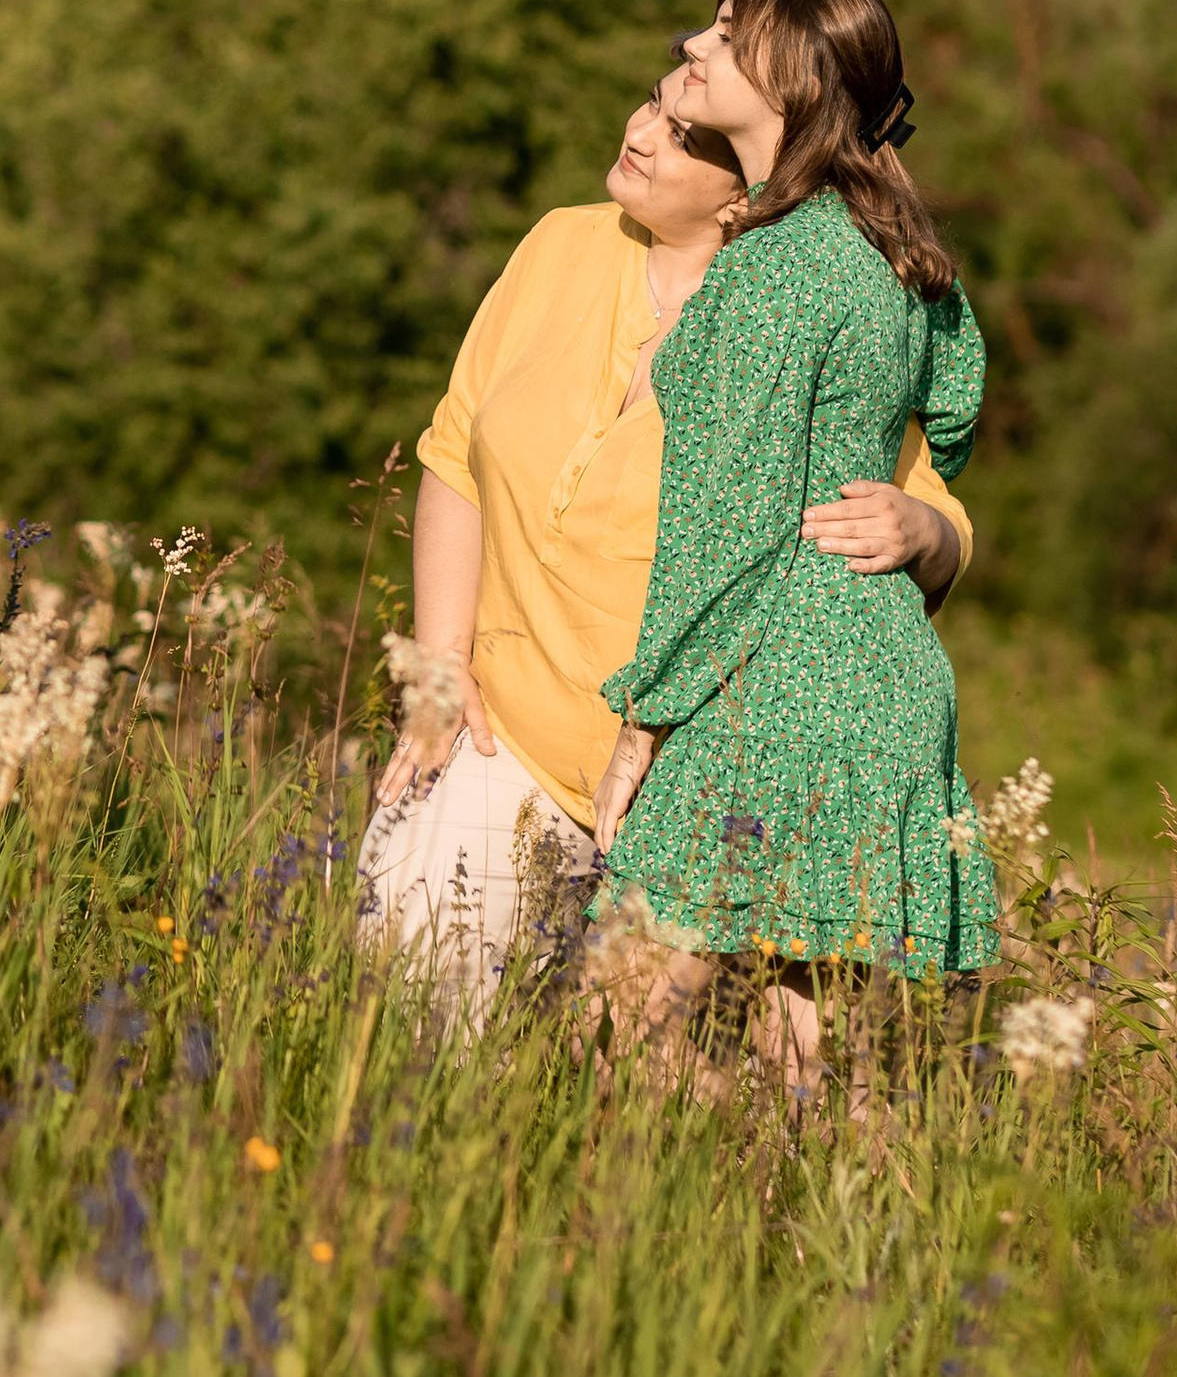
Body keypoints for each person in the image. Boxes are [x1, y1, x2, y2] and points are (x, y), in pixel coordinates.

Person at [360, 68, 971, 1005]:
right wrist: (442, 668)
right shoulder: (562, 243)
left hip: (686, 772)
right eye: (650, 102)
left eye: (683, 136)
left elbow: (926, 508)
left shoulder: (802, 298)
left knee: (639, 1076)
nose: (642, 132)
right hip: (505, 728)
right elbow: (453, 452)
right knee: (400, 996)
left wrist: (927, 531)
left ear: (752, 190)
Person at [590, 0, 998, 1078]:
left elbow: (722, 531)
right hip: (883, 680)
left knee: (610, 1026)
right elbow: (955, 404)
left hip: (779, 680)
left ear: (786, 77)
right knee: (806, 1073)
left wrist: (643, 727)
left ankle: (633, 1242)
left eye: (724, 35)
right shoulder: (888, 242)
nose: (694, 47)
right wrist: (911, 514)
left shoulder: (769, 268)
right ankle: (840, 1253)